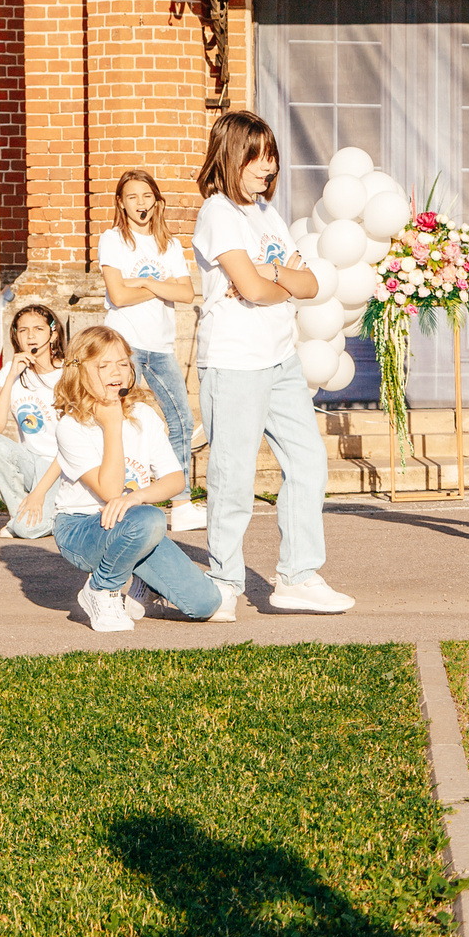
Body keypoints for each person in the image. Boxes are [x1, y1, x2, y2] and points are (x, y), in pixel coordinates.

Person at [191, 111, 355, 617]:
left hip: (281, 358)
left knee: (307, 462)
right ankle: (223, 583)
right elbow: (257, 289)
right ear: (230, 156)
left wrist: (270, 273)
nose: (269, 166)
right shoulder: (218, 213)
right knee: (233, 477)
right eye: (257, 156)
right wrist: (274, 279)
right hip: (235, 363)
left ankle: (297, 577)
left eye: (272, 156)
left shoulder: (267, 215)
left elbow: (307, 286)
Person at [47, 326, 226, 632]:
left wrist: (136, 497)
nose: (115, 371)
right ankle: (101, 590)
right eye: (102, 366)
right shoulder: (71, 425)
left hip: (134, 525)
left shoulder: (143, 414)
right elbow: (110, 490)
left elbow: (175, 480)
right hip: (81, 529)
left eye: (122, 363)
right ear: (78, 371)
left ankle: (142, 583)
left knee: (206, 604)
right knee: (151, 519)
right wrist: (112, 424)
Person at [97, 168, 205, 533]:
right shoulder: (113, 240)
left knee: (180, 420)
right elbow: (119, 295)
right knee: (120, 419)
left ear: (156, 201)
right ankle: (118, 497)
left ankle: (182, 503)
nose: (140, 204)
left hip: (160, 346)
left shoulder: (170, 245)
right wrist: (161, 286)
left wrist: (144, 280)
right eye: (132, 197)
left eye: (146, 196)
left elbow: (187, 293)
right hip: (124, 346)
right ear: (122, 203)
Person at [0, 301, 65, 540]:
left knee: (28, 531)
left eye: (38, 329)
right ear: (16, 336)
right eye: (23, 330)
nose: (31, 336)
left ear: (53, 333)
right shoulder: (11, 371)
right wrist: (12, 375)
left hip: (61, 466)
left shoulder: (68, 372)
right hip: (31, 463)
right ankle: (22, 515)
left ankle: (49, 519)